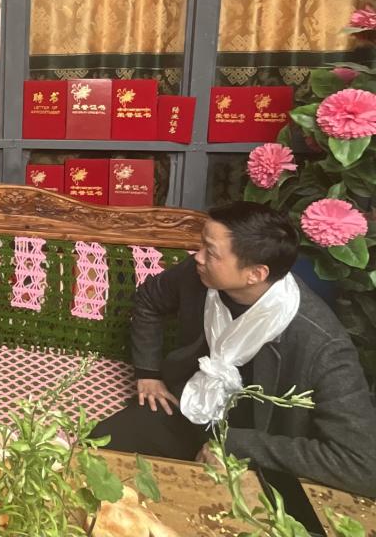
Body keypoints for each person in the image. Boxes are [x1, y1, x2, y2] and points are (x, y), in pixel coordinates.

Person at [91, 201, 376, 498]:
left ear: (256, 273)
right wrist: (147, 372)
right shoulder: (200, 274)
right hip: (187, 408)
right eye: (203, 244)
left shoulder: (322, 344)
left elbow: (363, 465)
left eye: (211, 252)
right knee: (95, 450)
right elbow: (150, 299)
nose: (198, 256)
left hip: (258, 449)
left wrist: (237, 446)